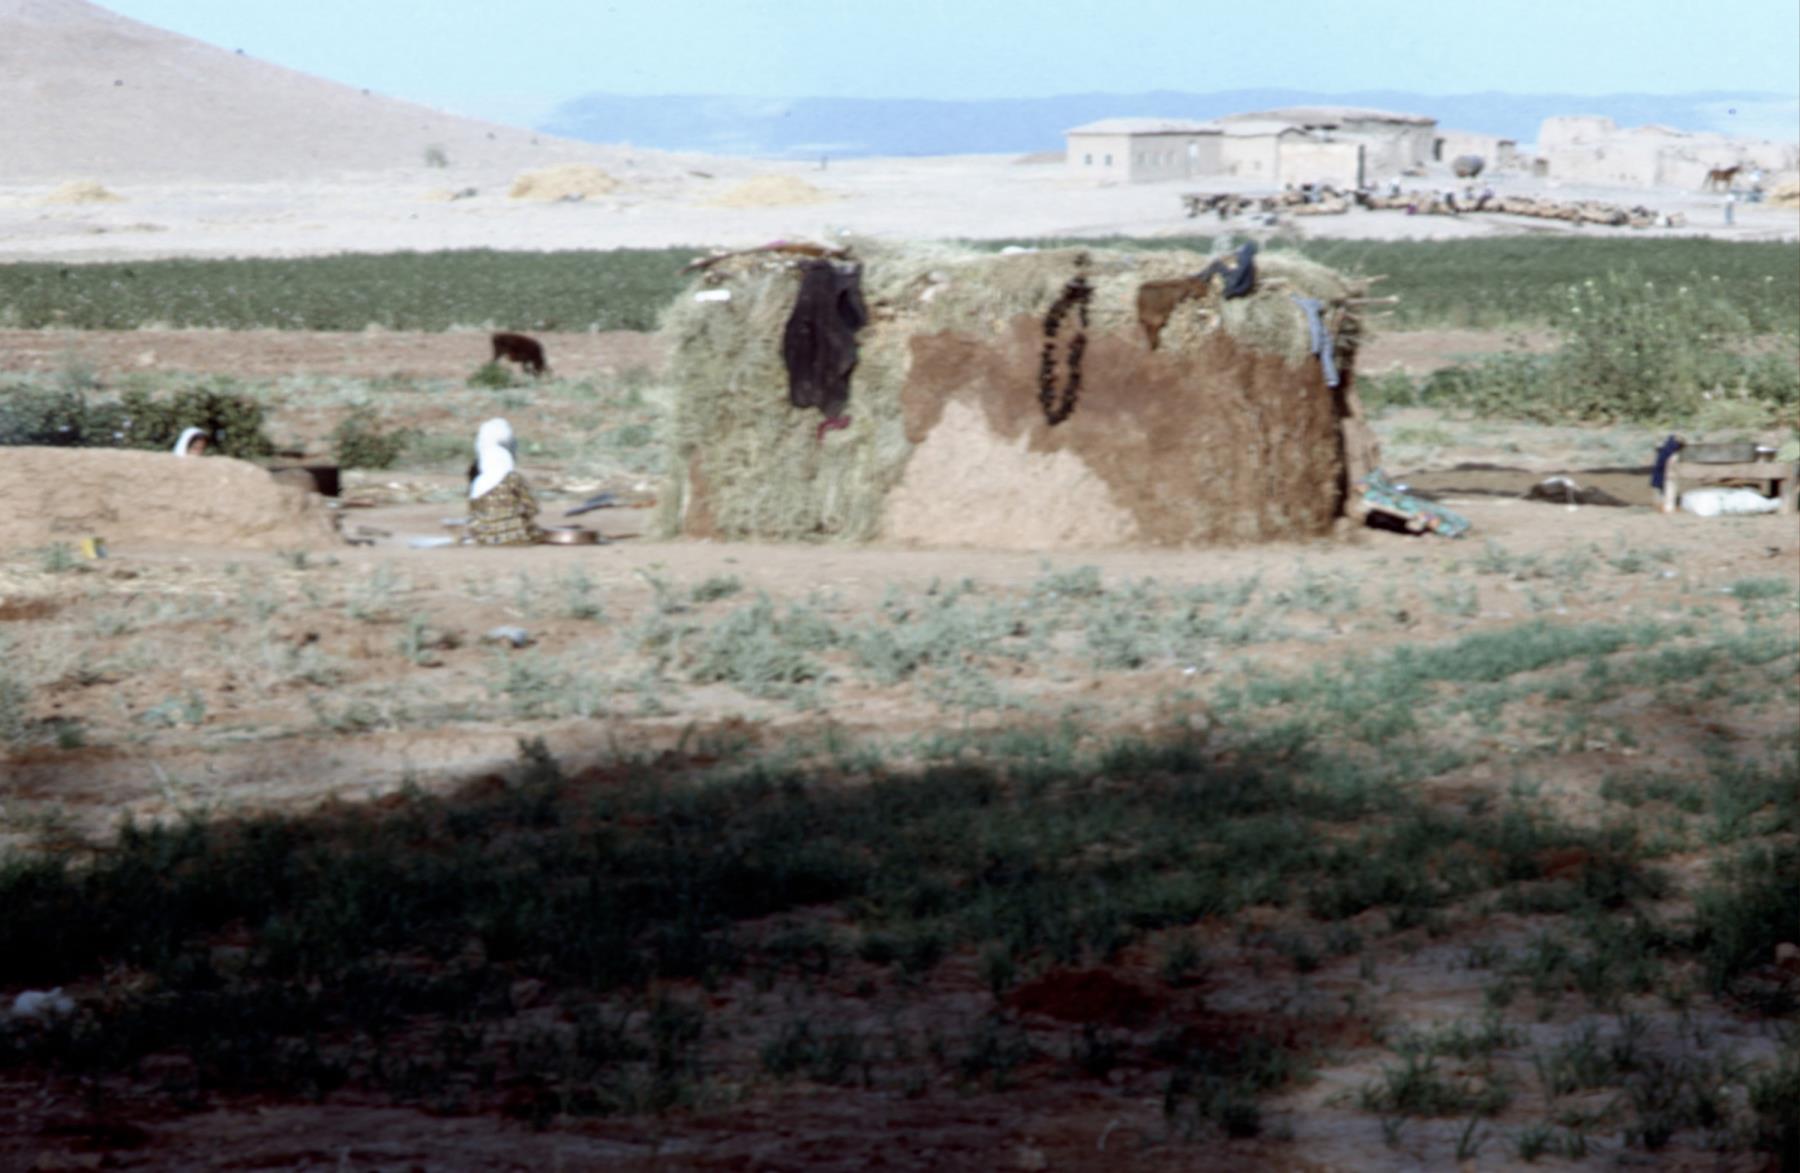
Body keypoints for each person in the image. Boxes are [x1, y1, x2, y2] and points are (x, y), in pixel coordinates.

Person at [466, 417, 544, 545]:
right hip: (517, 536)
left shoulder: (478, 483)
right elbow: (532, 508)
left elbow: (472, 512)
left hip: (483, 537)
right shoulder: (514, 479)